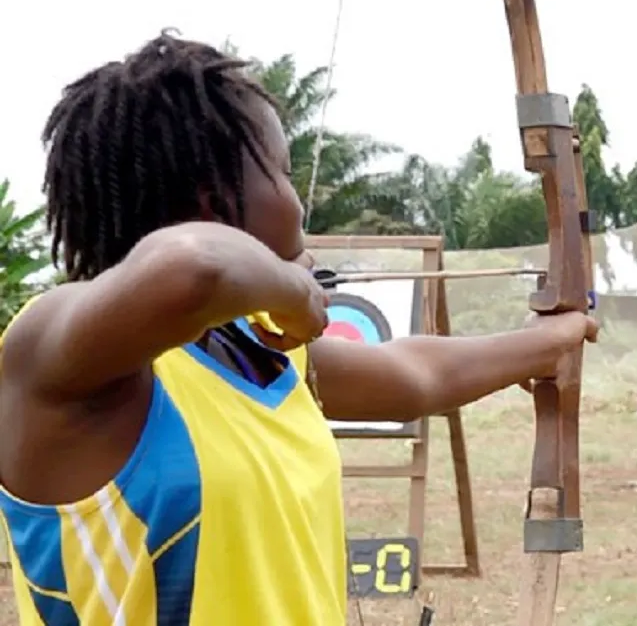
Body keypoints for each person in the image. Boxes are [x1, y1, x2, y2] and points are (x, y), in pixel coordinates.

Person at [0, 31, 598, 625]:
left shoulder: (252, 355)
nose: (299, 203)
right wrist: (294, 293)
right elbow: (194, 266)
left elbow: (413, 374)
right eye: (282, 174)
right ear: (214, 200)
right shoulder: (53, 356)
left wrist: (552, 340)